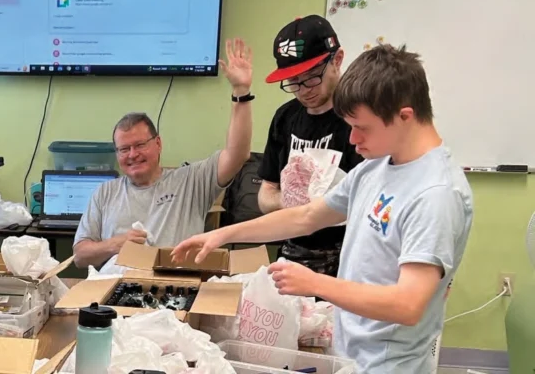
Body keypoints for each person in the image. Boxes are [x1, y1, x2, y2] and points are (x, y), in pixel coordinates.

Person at [172, 44, 473, 373]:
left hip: (389, 363)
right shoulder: (377, 167)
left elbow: (408, 304)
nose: (353, 139)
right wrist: (222, 234)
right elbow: (307, 216)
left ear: (404, 116)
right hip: (351, 352)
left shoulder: (436, 193)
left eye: (362, 127)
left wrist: (315, 283)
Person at [72, 39, 255, 269]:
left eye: (140, 145)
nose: (132, 155)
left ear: (158, 143)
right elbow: (80, 256)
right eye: (124, 149)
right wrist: (115, 245)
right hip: (116, 291)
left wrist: (241, 92)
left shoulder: (191, 181)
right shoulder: (105, 193)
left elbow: (237, 155)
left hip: (176, 288)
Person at [257, 15, 365, 277]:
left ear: (337, 60)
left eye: (312, 77)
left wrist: (319, 206)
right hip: (293, 249)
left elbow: (373, 204)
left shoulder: (362, 119)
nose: (303, 90)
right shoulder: (285, 118)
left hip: (348, 254)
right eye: (293, 82)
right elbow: (265, 195)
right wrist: (294, 201)